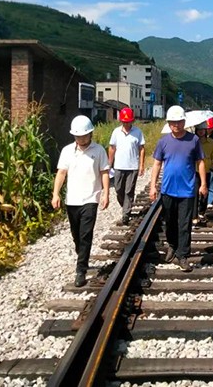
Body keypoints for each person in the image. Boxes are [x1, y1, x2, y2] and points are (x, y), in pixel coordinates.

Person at [51, 115, 110, 287]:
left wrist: (106, 193)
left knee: (86, 234)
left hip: (91, 198)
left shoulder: (99, 150)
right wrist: (55, 194)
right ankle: (82, 255)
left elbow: (104, 172)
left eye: (84, 135)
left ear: (90, 133)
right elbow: (61, 173)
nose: (81, 139)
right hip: (72, 199)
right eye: (78, 136)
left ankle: (81, 270)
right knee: (76, 234)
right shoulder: (67, 151)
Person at [149, 105, 207, 272]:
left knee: (184, 224)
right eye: (173, 122)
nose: (176, 125)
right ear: (168, 123)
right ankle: (172, 246)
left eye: (179, 121)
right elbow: (157, 164)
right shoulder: (163, 142)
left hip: (187, 190)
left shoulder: (193, 140)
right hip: (168, 189)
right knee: (170, 222)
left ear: (184, 122)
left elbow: (200, 162)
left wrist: (203, 184)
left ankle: (183, 255)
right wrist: (153, 186)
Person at [108, 107, 145, 226]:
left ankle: (125, 215)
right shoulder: (116, 132)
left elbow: (141, 149)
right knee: (118, 189)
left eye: (128, 121)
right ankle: (125, 207)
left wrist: (141, 165)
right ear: (121, 121)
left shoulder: (138, 132)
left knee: (129, 191)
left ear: (132, 121)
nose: (126, 123)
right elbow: (112, 148)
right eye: (124, 121)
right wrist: (109, 164)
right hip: (119, 166)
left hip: (132, 166)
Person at [193, 121, 213, 225]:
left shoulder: (211, 142)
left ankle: (201, 212)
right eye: (199, 129)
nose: (201, 132)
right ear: (196, 130)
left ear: (206, 130)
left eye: (203, 129)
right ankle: (194, 215)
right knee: (194, 193)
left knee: (204, 193)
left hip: (207, 170)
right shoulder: (193, 141)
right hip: (194, 171)